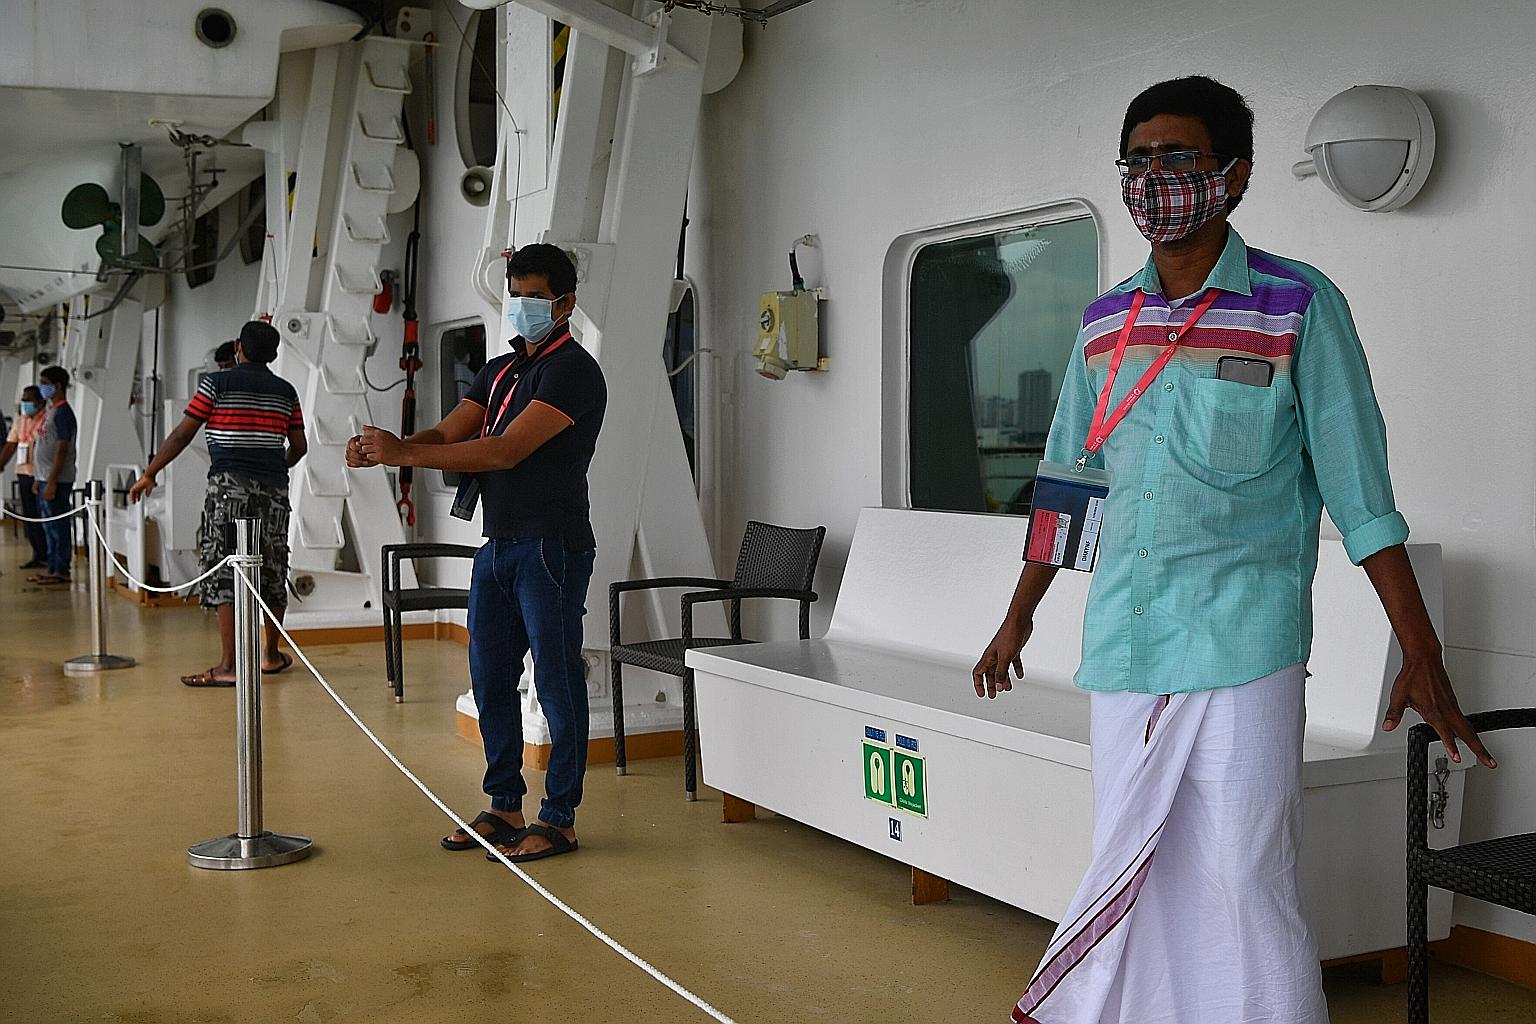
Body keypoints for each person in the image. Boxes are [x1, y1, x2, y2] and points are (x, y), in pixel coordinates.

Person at [971, 77, 1494, 1024]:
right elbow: (1068, 486)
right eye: (1138, 161)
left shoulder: (1298, 306)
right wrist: (1018, 618)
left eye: (1179, 159)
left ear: (1234, 176)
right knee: (1133, 861)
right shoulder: (1101, 325)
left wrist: (1422, 649)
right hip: (1126, 651)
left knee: (1246, 872)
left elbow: (1363, 500)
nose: (1154, 179)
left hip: (1245, 650)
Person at [351, 243, 607, 864]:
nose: (522, 306)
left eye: (535, 297)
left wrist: (404, 455)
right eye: (515, 296)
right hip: (499, 546)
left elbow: (504, 451)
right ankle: (504, 804)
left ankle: (560, 817)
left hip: (552, 545)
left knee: (556, 680)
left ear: (566, 302)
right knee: (490, 678)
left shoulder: (572, 371)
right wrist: (390, 445)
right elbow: (447, 433)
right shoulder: (498, 372)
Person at [128, 321, 307, 686]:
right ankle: (270, 656)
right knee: (272, 565)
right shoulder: (286, 392)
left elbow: (182, 434)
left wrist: (150, 473)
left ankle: (228, 666)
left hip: (229, 488)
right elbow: (299, 447)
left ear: (239, 347)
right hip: (274, 490)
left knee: (226, 567)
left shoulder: (217, 384)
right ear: (273, 354)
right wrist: (274, 466)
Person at [28, 367, 78, 585]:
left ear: (57, 386)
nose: (42, 387)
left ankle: (61, 570)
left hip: (56, 479)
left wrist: (52, 481)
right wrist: (39, 478)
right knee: (47, 526)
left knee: (58, 525)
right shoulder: (51, 410)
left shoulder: (63, 412)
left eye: (45, 382)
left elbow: (62, 449)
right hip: (44, 477)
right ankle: (52, 567)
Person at [1, 385, 50, 568]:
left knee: (43, 516)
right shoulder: (20, 420)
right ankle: (38, 554)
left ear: (39, 402)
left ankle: (50, 556)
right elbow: (10, 445)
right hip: (24, 473)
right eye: (24, 399)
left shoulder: (46, 419)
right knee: (29, 517)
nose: (25, 403)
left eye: (29, 400)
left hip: (41, 475)